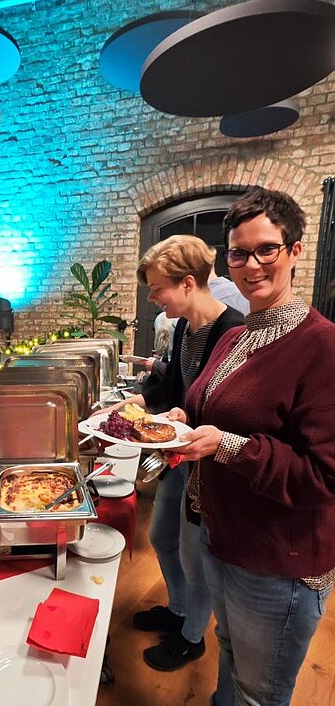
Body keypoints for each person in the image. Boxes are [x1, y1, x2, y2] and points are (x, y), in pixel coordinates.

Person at [157, 188, 335, 706]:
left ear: (295, 252)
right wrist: (181, 419)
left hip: (280, 556)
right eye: (238, 254)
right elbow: (208, 406)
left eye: (266, 250)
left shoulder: (323, 347)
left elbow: (324, 475)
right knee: (231, 656)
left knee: (261, 694)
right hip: (224, 535)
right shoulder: (236, 336)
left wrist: (228, 446)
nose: (252, 264)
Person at [103, 235, 245, 671]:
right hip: (178, 460)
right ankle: (179, 608)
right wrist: (127, 409)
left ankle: (191, 636)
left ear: (187, 283)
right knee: (161, 537)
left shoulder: (234, 331)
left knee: (194, 554)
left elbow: (231, 413)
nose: (151, 298)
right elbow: (169, 387)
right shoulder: (185, 326)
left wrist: (186, 420)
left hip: (208, 470)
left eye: (156, 288)